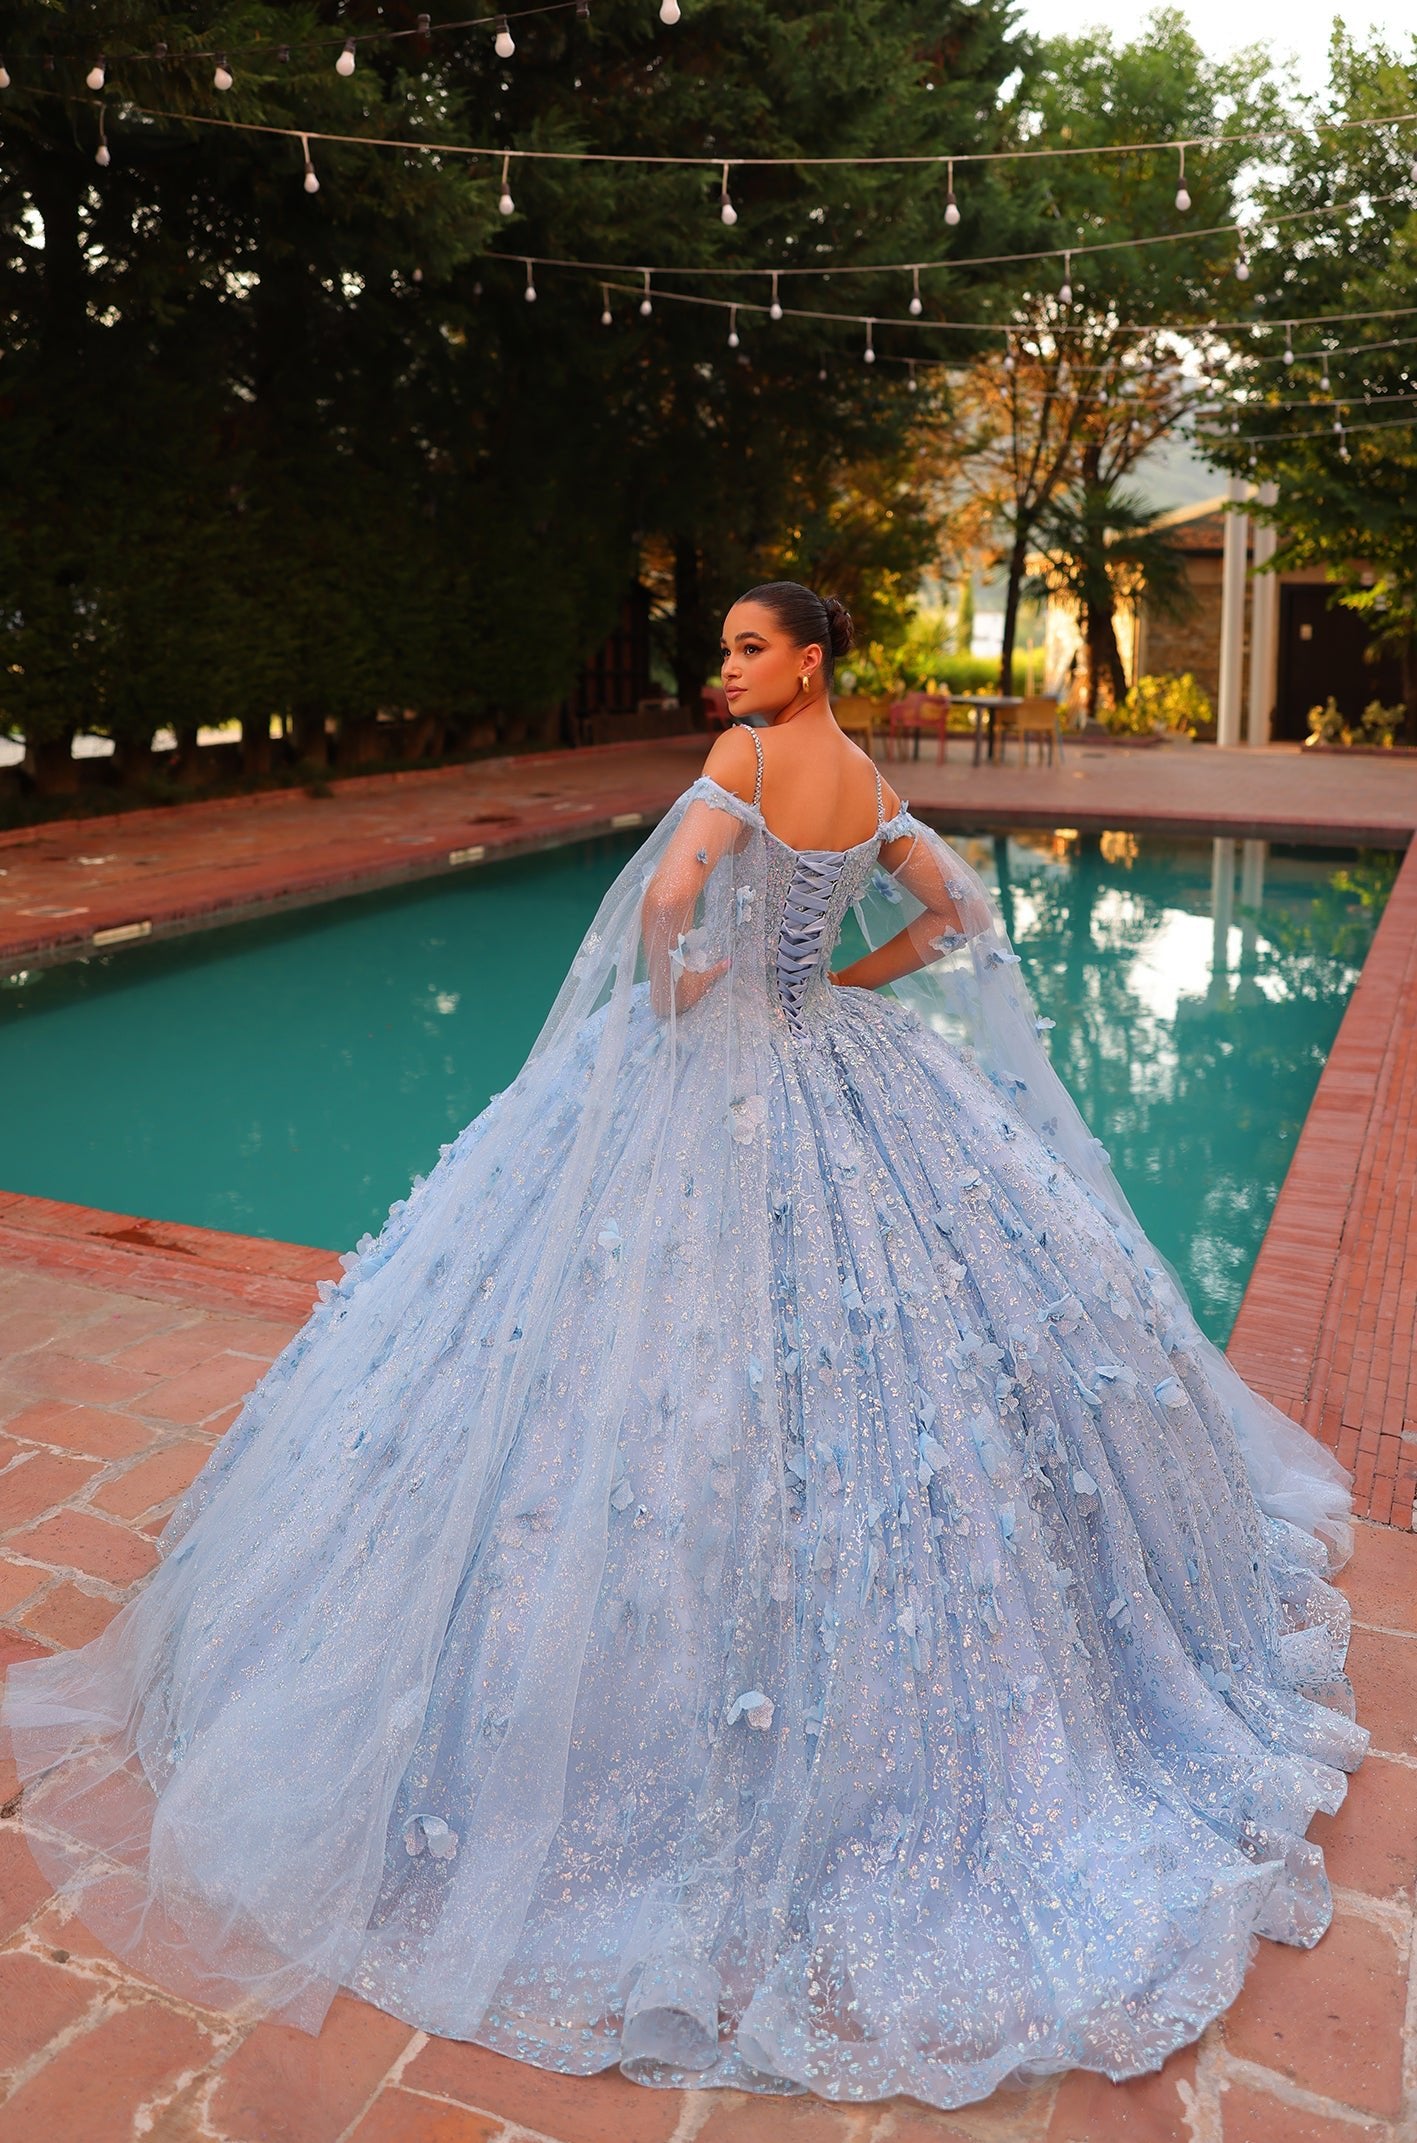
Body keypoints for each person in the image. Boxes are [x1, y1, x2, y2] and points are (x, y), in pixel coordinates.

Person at [1, 581, 1365, 2114]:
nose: (723, 672)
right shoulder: (863, 780)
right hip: (836, 1052)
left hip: (716, 1058)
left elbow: (667, 900)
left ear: (809, 658)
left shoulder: (741, 769)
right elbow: (958, 913)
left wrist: (677, 992)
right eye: (723, 651)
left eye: (746, 650)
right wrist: (838, 988)